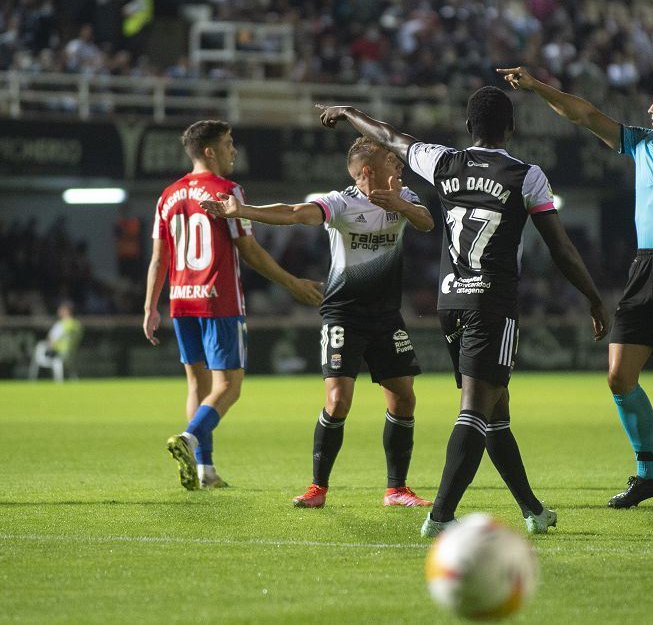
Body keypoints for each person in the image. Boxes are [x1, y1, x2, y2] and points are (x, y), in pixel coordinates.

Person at [316, 87, 609, 537]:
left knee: (496, 410)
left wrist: (350, 112)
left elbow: (390, 137)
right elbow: (562, 249)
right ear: (511, 128)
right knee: (475, 408)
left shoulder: (444, 162)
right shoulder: (526, 176)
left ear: (469, 127)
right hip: (492, 304)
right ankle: (440, 517)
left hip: (450, 301)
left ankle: (532, 509)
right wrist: (592, 295)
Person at [498, 0, 653, 512]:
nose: (649, 107)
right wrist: (537, 85)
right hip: (644, 270)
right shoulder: (642, 144)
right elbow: (585, 116)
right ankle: (648, 471)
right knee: (618, 375)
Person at [199, 136, 436, 509]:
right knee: (338, 400)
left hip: (387, 316)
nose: (399, 165)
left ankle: (397, 490)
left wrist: (399, 203)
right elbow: (294, 212)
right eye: (392, 160)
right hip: (344, 313)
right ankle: (317, 488)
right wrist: (241, 211)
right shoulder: (341, 203)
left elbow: (426, 223)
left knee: (404, 398)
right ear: (368, 170)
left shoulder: (403, 196)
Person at [144, 120, 322, 491]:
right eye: (227, 143)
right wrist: (292, 283)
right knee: (229, 386)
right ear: (209, 151)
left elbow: (159, 259)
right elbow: (251, 252)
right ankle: (190, 439)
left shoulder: (168, 195)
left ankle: (206, 471)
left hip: (181, 300)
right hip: (218, 300)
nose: (233, 150)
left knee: (198, 385)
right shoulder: (227, 191)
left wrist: (150, 307)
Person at [28, 301, 83, 382]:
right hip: (70, 353)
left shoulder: (61, 324)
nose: (58, 311)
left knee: (40, 346)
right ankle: (72, 378)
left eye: (60, 309)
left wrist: (49, 344)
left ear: (66, 311)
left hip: (58, 352)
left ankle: (32, 378)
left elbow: (51, 339)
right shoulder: (77, 324)